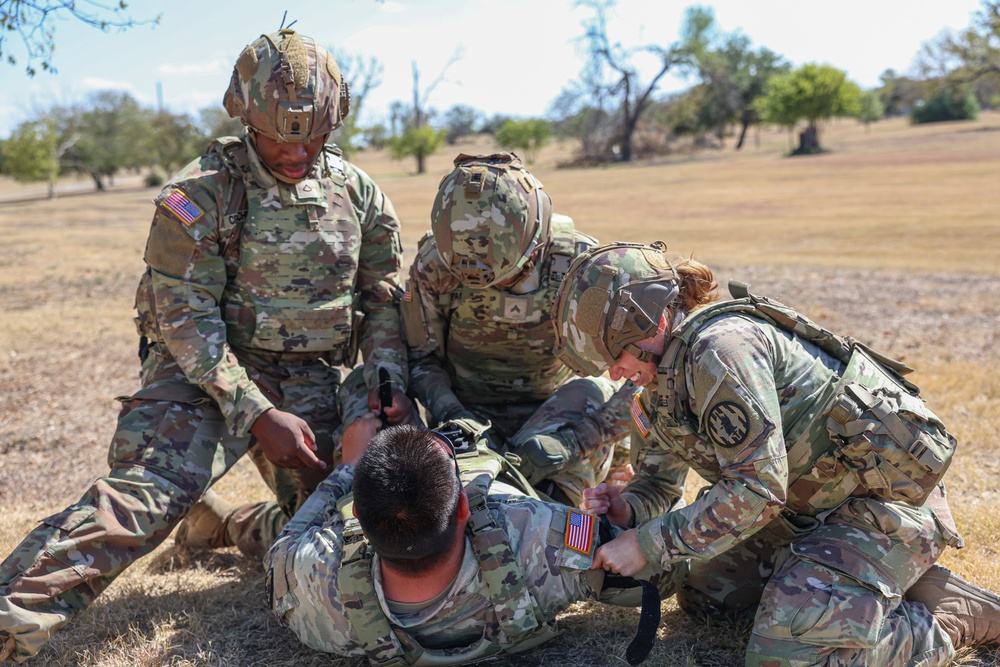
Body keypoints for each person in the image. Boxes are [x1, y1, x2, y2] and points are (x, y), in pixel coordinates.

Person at [0, 29, 410, 663]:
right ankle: (11, 618)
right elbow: (186, 321)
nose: (297, 150)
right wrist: (256, 414)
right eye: (279, 136)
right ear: (244, 117)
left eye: (313, 134)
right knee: (143, 502)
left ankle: (223, 524)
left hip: (310, 377)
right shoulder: (200, 195)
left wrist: (384, 390)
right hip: (203, 379)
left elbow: (381, 300)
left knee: (354, 524)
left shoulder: (360, 198)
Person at [552, 240, 1000, 666]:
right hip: (799, 516)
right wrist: (627, 509)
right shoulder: (656, 384)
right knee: (710, 598)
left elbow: (756, 491)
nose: (612, 372)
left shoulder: (721, 350)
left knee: (786, 657)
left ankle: (949, 619)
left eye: (612, 353)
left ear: (643, 320)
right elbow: (657, 484)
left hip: (880, 512)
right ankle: (840, 592)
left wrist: (648, 542)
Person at [264, 419, 686, 663]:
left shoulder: (314, 579)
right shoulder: (537, 538)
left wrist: (347, 468)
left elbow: (282, 551)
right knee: (568, 455)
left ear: (354, 517)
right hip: (535, 524)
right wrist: (631, 516)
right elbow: (660, 574)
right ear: (464, 507)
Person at [402, 152, 633, 506]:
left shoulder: (583, 267)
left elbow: (641, 373)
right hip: (464, 414)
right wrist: (455, 416)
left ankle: (561, 499)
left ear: (536, 241)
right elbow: (421, 360)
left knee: (591, 392)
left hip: (556, 414)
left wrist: (579, 441)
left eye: (508, 274)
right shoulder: (435, 267)